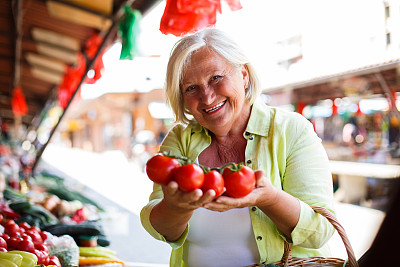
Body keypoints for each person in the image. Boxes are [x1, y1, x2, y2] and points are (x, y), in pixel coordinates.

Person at [140, 28, 335, 267]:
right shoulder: (180, 140)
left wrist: (269, 199)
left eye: (216, 78)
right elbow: (159, 228)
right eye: (191, 88)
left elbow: (321, 231)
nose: (208, 97)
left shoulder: (291, 130)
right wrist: (174, 206)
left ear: (243, 74)